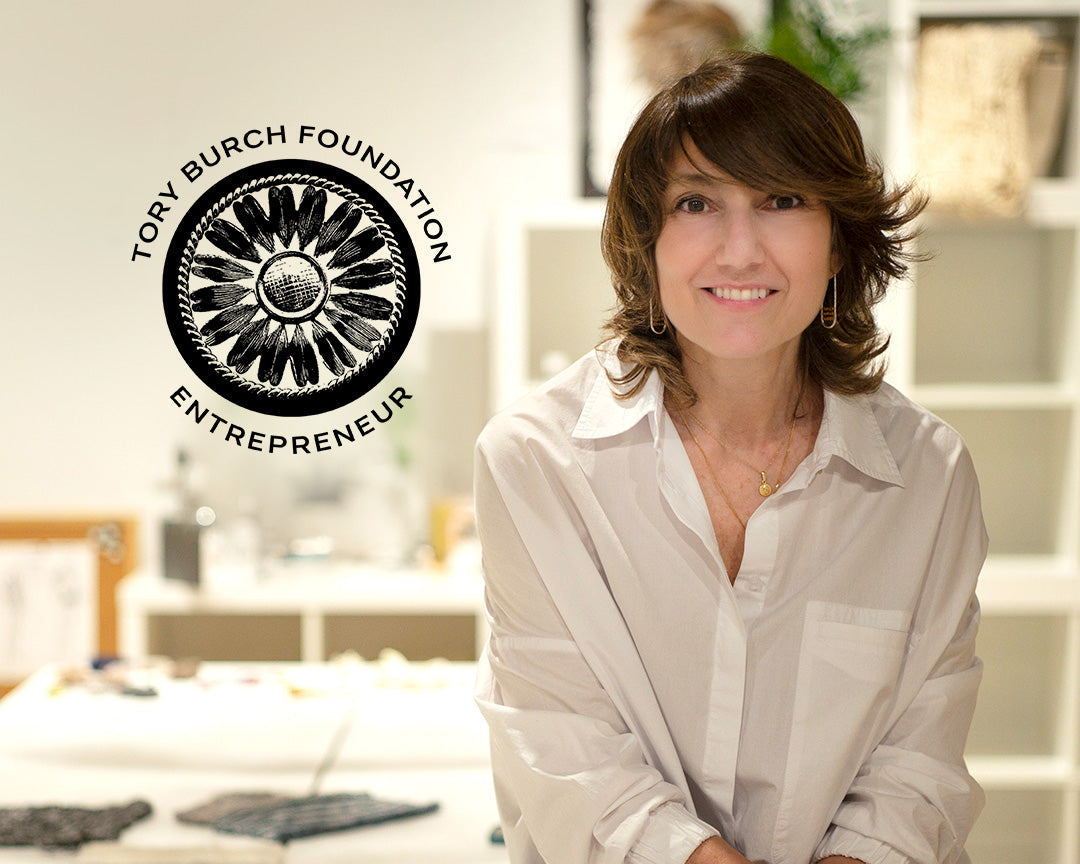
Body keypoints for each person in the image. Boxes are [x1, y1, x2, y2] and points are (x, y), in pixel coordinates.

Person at [474, 51, 986, 864]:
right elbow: (562, 745)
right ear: (647, 243)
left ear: (841, 242)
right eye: (696, 203)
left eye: (783, 200)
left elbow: (916, 765)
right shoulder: (538, 460)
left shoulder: (926, 474)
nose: (740, 251)